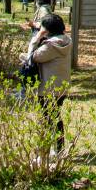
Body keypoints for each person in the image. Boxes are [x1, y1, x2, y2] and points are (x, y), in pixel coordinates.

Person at [22, 13, 72, 151]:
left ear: (47, 29)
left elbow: (33, 57)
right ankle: (58, 148)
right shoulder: (66, 40)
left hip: (48, 88)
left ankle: (54, 149)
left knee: (49, 119)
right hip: (61, 87)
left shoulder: (50, 45)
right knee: (55, 117)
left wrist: (36, 38)